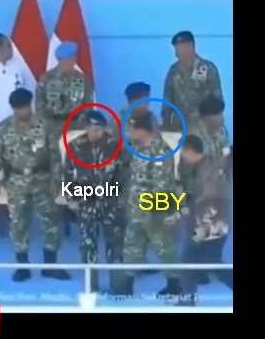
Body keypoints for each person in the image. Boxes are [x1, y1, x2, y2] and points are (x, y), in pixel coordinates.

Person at [0, 88, 70, 282]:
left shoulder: (45, 125)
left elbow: (55, 155)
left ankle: (50, 265)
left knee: (50, 222)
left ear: (30, 105)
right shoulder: (3, 128)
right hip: (16, 181)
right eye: (18, 109)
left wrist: (56, 179)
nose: (22, 112)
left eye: (25, 107)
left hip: (42, 179)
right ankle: (22, 267)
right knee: (18, 223)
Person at [112, 111, 182, 298]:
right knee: (132, 246)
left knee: (163, 246)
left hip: (153, 209)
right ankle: (126, 287)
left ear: (143, 130)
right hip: (136, 209)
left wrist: (155, 214)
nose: (130, 133)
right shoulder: (138, 148)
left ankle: (175, 284)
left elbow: (162, 186)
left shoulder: (160, 152)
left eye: (133, 129)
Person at [63, 111, 124, 291]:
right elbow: (68, 173)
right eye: (92, 128)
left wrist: (121, 197)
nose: (95, 133)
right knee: (88, 243)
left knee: (115, 242)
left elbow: (123, 173)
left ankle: (117, 285)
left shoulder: (115, 145)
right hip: (86, 199)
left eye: (99, 129)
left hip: (110, 198)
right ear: (86, 128)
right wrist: (71, 198)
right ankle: (92, 284)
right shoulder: (75, 146)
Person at [178, 134, 233, 306]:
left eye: (183, 153)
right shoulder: (205, 167)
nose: (182, 157)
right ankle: (188, 298)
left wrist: (203, 228)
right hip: (211, 223)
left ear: (190, 151)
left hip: (209, 224)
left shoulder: (208, 170)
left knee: (191, 260)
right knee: (209, 262)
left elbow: (211, 199)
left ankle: (188, 299)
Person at [162, 31, 223, 130]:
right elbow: (167, 101)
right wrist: (166, 125)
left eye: (182, 48)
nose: (178, 52)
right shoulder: (173, 71)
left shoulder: (208, 68)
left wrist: (215, 123)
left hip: (204, 128)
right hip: (180, 127)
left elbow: (217, 99)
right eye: (177, 49)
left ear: (191, 46)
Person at [36, 41, 94, 139]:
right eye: (66, 60)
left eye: (72, 59)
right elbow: (40, 105)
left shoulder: (82, 80)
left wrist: (80, 125)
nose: (72, 62)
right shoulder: (46, 79)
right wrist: (48, 127)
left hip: (76, 128)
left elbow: (88, 105)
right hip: (52, 129)